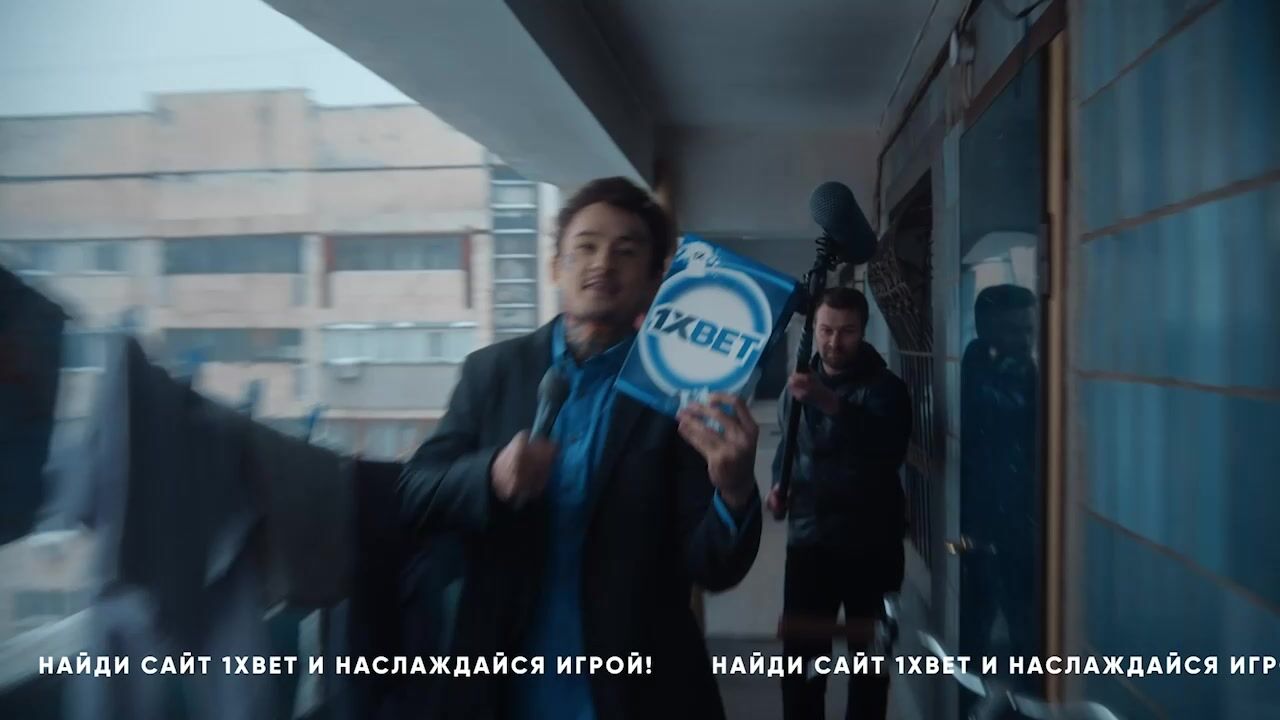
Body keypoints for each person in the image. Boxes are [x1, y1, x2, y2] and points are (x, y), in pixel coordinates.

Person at [398, 176, 763, 720]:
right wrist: (491, 476)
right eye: (585, 246)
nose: (602, 263)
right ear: (555, 266)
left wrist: (733, 491)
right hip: (502, 690)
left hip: (643, 694)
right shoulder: (492, 372)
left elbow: (713, 568)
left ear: (656, 278)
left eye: (626, 250)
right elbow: (414, 493)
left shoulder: (682, 390)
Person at [769, 287, 911, 720]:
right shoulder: (795, 389)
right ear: (814, 329)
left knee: (869, 669)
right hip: (809, 544)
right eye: (826, 330)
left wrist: (828, 402)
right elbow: (788, 451)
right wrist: (778, 487)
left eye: (846, 331)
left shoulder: (887, 389)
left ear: (863, 331)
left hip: (874, 547)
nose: (834, 341)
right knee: (801, 669)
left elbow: (885, 451)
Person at [959, 284, 1039, 669]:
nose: (1024, 340)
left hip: (1019, 516)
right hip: (979, 520)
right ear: (985, 330)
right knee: (978, 614)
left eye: (1029, 330)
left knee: (1022, 618)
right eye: (1012, 330)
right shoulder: (977, 369)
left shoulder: (1026, 370)